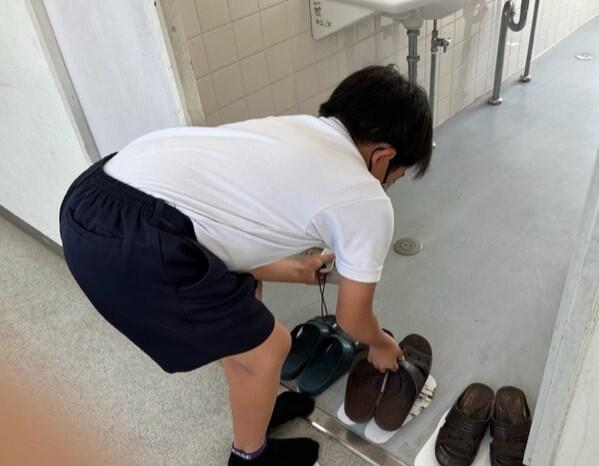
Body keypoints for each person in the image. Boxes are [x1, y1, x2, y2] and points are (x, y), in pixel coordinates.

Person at [59, 64, 433, 466]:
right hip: (135, 240)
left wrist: (296, 270)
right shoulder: (367, 201)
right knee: (269, 348)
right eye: (395, 177)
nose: (387, 185)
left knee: (245, 309)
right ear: (382, 156)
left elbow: (221, 230)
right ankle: (249, 458)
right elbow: (352, 317)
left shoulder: (299, 130)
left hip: (92, 194)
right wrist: (380, 344)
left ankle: (256, 410)